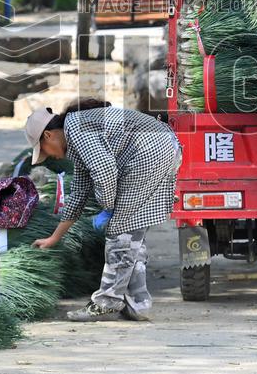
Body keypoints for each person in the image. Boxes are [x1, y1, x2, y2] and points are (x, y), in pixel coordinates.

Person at [25, 99, 181, 322]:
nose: (49, 156)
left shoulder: (76, 129)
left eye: (45, 151)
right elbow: (78, 194)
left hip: (149, 153)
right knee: (131, 232)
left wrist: (108, 207)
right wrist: (54, 238)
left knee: (119, 231)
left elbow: (105, 170)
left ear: (49, 135)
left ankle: (106, 303)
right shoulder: (77, 139)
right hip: (164, 148)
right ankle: (138, 305)